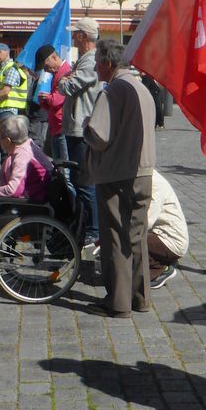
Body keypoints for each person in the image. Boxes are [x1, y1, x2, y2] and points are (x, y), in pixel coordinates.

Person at [83, 39, 156, 318]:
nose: (96, 68)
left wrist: (88, 127)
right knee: (136, 236)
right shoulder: (142, 88)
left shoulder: (113, 90)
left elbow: (99, 136)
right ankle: (140, 298)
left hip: (118, 172)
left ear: (107, 62)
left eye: (97, 62)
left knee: (115, 235)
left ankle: (118, 302)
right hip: (144, 171)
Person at [58, 17, 102, 246]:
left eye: (75, 33)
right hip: (75, 128)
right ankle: (85, 224)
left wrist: (62, 76)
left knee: (85, 182)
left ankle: (94, 230)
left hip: (81, 130)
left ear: (84, 36)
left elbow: (68, 86)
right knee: (78, 179)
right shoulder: (84, 59)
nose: (73, 36)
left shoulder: (90, 60)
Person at [147, 169, 188, 288]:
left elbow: (145, 221)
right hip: (158, 234)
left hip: (171, 241)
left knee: (129, 242)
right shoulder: (148, 178)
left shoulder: (154, 183)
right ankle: (161, 263)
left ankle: (161, 269)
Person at [0, 43, 29, 156]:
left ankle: (9, 171)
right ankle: (5, 171)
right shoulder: (0, 70)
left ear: (7, 52)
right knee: (2, 145)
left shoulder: (11, 68)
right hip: (1, 109)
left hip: (9, 111)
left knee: (8, 146)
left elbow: (5, 92)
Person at [36, 50, 72, 165]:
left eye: (46, 66)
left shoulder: (66, 71)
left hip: (62, 126)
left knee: (65, 166)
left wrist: (47, 98)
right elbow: (52, 104)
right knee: (58, 165)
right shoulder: (56, 73)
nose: (46, 70)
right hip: (55, 126)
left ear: (54, 58)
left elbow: (57, 100)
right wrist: (43, 101)